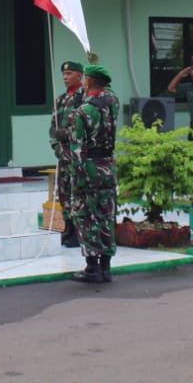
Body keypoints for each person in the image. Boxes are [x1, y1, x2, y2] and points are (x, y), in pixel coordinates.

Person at [70, 64, 119, 283]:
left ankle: (92, 268)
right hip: (108, 165)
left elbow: (77, 148)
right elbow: (109, 93)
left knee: (87, 216)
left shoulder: (83, 111)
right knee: (106, 214)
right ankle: (106, 268)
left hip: (89, 167)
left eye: (85, 80)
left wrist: (77, 177)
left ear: (88, 82)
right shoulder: (113, 104)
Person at [49, 60, 85, 248]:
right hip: (63, 156)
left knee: (77, 192)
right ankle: (68, 227)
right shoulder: (61, 99)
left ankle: (79, 231)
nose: (65, 77)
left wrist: (70, 140)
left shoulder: (84, 98)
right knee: (64, 192)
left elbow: (85, 127)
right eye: (64, 74)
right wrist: (56, 146)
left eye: (69, 73)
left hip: (78, 154)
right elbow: (53, 127)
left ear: (79, 75)